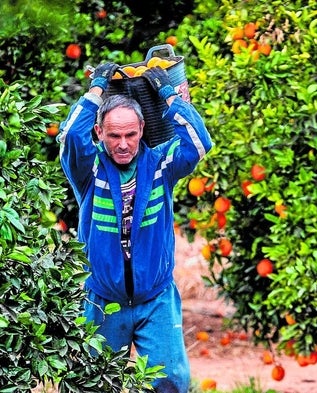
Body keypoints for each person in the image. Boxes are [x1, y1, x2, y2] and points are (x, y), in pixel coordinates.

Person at [58, 62, 212, 392]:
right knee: (90, 384)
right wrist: (97, 89)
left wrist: (169, 94)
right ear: (99, 133)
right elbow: (71, 134)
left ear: (142, 130)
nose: (124, 143)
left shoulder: (161, 164)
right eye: (114, 135)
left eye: (130, 134)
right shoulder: (89, 170)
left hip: (155, 298)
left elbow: (200, 142)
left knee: (172, 383)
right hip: (103, 300)